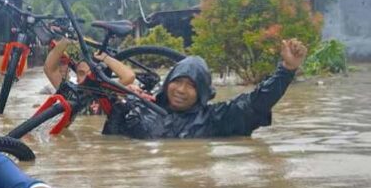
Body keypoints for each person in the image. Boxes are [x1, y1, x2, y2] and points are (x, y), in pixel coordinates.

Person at [102, 39, 308, 139]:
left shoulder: (215, 119)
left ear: (202, 92)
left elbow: (256, 103)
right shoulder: (140, 108)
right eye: (177, 81)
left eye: (191, 85)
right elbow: (110, 147)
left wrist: (286, 70)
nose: (181, 90)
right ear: (167, 83)